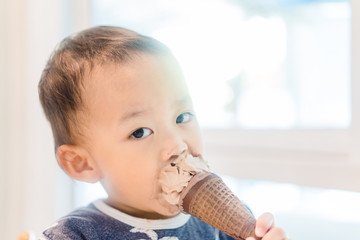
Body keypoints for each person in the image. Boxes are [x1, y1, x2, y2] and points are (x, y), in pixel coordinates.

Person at [38, 26, 288, 240]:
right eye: (140, 132)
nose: (177, 144)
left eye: (182, 117)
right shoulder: (76, 234)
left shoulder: (225, 228)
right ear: (82, 164)